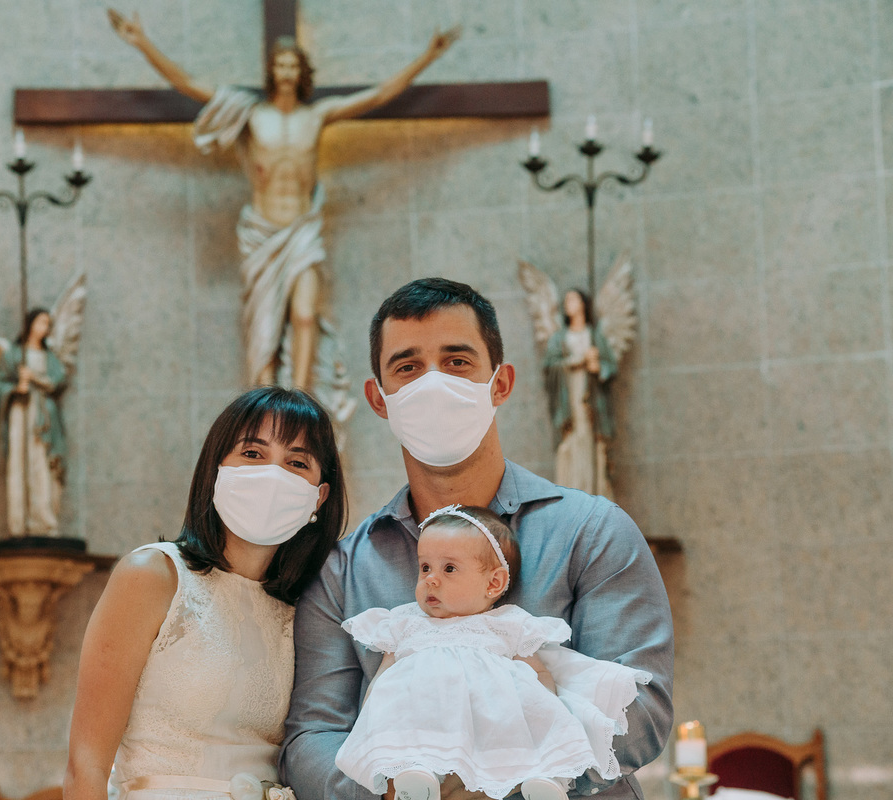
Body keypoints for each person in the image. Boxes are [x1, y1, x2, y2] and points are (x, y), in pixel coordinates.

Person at [280, 278, 673, 800]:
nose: (433, 383)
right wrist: (393, 793)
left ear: (500, 384)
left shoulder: (593, 531)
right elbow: (312, 736)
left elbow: (641, 709)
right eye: (408, 367)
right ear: (379, 398)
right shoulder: (343, 570)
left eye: (457, 361)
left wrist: (490, 787)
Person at [108, 9, 458, 423]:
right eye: (280, 65)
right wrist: (141, 42)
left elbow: (378, 95)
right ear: (271, 72)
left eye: (293, 64)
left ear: (301, 71)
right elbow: (187, 83)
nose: (287, 71)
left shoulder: (317, 116)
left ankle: (301, 401)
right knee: (265, 333)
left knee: (306, 315)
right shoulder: (253, 115)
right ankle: (263, 407)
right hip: (263, 234)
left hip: (302, 232)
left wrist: (427, 56)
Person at [65, 386, 347, 800]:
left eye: (297, 462)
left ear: (318, 496)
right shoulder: (151, 576)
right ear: (216, 469)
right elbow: (85, 765)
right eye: (252, 453)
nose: (273, 474)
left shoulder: (310, 605)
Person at [335, 505, 651, 800]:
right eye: (425, 567)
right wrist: (371, 718)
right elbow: (383, 677)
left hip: (494, 719)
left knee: (531, 745)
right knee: (413, 740)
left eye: (449, 568)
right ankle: (416, 776)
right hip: (424, 718)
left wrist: (545, 709)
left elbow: (538, 672)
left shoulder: (506, 623)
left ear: (493, 583)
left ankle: (544, 781)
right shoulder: (404, 622)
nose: (431, 579)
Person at [0, 308, 69, 536]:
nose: (45, 328)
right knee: (20, 462)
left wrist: (34, 378)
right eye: (41, 322)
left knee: (41, 464)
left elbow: (58, 380)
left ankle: (42, 520)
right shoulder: (14, 355)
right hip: (21, 413)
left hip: (44, 418)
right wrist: (17, 388)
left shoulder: (50, 357)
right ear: (31, 324)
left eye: (48, 324)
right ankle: (20, 521)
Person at [542, 290, 617, 500]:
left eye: (572, 299)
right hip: (569, 401)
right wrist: (575, 362)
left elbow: (610, 367)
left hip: (591, 403)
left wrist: (598, 367)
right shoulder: (559, 338)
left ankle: (595, 494)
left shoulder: (594, 337)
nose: (568, 303)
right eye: (566, 300)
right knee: (571, 447)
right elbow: (549, 367)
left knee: (593, 450)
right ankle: (572, 497)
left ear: (583, 304)